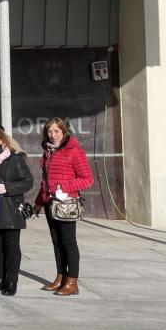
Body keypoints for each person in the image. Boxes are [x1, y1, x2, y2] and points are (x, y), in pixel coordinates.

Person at [37, 118, 94, 297]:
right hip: (50, 203)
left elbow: (87, 179)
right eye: (50, 132)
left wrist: (63, 187)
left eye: (57, 131)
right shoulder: (47, 152)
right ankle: (60, 276)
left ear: (64, 132)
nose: (53, 135)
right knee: (56, 243)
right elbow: (45, 181)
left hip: (66, 203)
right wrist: (39, 202)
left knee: (69, 242)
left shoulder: (74, 152)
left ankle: (72, 281)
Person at [0, 127, 34, 296]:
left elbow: (28, 181)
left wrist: (8, 187)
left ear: (5, 142)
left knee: (11, 247)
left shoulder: (15, 159)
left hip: (10, 209)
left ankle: (11, 281)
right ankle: (1, 278)